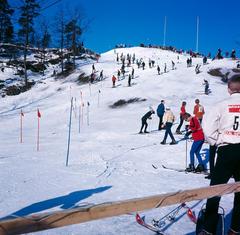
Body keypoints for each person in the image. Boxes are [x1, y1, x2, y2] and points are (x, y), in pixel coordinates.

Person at [199, 74, 240, 235]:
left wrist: (215, 141)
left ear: (229, 89)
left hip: (227, 150)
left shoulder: (221, 105)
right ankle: (236, 228)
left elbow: (208, 128)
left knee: (216, 189)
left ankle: (209, 228)